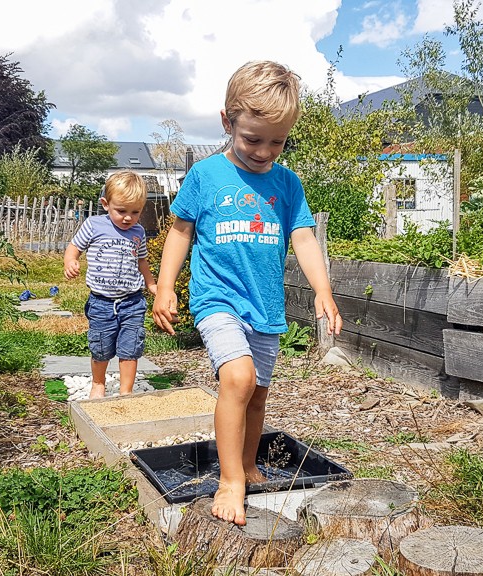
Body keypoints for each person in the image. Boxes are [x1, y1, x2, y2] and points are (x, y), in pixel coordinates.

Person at [152, 60, 341, 526]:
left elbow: (302, 237)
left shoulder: (286, 183)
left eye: (277, 141)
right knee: (236, 378)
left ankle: (250, 464)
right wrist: (165, 287)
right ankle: (230, 480)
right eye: (253, 138)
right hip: (217, 298)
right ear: (227, 122)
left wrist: (323, 289)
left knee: (256, 392)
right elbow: (180, 231)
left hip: (265, 307)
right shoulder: (206, 174)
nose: (264, 151)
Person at [64, 171, 157, 399]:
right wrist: (71, 260)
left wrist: (152, 283)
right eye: (121, 211)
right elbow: (74, 246)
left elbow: (141, 260)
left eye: (135, 212)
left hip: (132, 301)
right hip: (101, 302)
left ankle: (126, 391)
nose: (128, 218)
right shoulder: (94, 225)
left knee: (131, 347)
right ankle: (98, 384)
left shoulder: (138, 232)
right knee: (101, 347)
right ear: (106, 204)